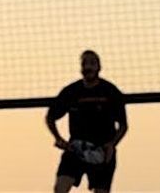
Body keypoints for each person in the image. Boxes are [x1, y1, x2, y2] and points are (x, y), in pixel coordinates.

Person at [45, 50, 128, 193]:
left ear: (99, 67)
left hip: (102, 150)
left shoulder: (110, 91)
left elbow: (123, 125)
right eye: (84, 63)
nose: (88, 67)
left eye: (92, 63)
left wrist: (111, 144)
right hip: (76, 148)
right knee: (60, 188)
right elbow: (50, 117)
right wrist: (58, 138)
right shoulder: (71, 91)